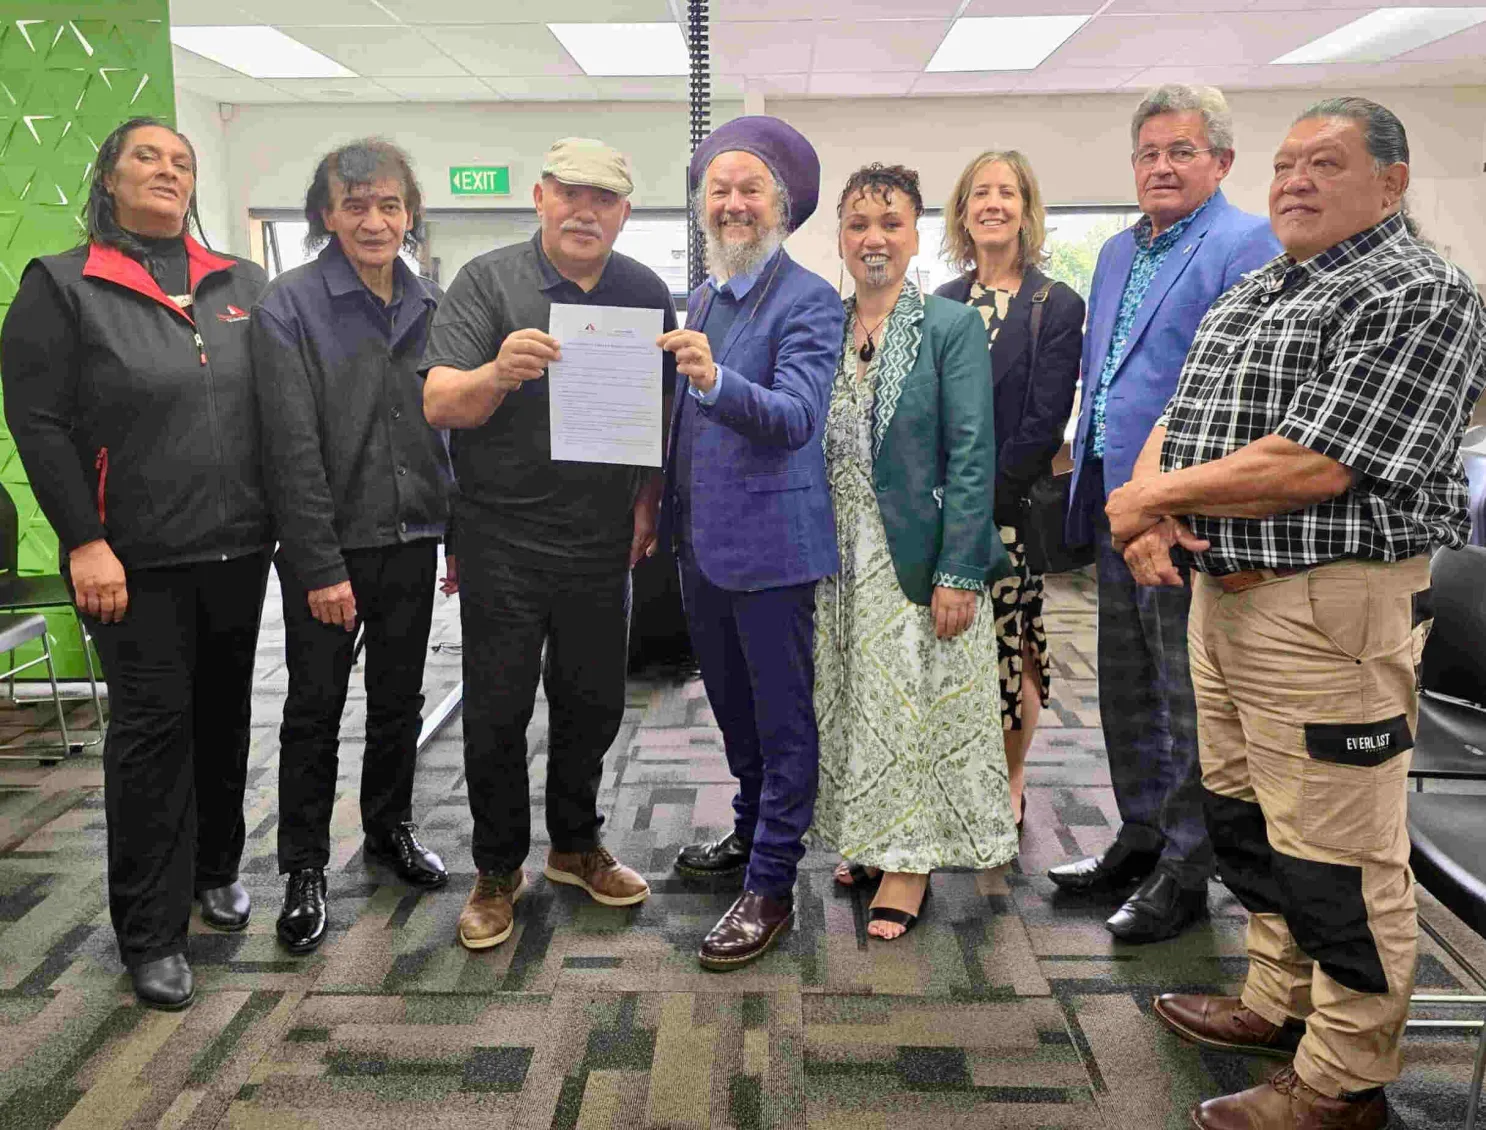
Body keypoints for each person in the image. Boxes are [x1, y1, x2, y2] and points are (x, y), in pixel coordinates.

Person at [1111, 97, 1486, 1130]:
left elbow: (1319, 460)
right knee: (1246, 819)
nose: (1294, 181)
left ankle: (1343, 1074)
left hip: (1330, 610)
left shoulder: (1418, 292)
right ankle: (1278, 1001)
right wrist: (1147, 509)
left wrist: (1154, 498)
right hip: (1226, 602)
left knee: (1336, 847)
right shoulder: (1260, 289)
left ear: (1392, 181)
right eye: (1284, 164)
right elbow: (1176, 422)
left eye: (1324, 162)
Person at [0, 117, 271, 1009]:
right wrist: (84, 539)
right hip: (131, 561)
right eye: (146, 157)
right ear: (108, 178)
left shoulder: (236, 282)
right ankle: (148, 932)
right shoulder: (62, 285)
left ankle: (217, 870)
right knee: (153, 738)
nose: (167, 169)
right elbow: (38, 425)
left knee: (225, 714)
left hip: (237, 547)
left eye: (181, 161)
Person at [421, 138, 675, 951]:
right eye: (571, 194)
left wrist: (648, 500)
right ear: (540, 198)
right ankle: (498, 869)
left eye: (604, 199)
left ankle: (574, 845)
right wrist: (496, 373)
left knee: (593, 703)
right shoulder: (487, 281)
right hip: (503, 539)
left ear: (624, 213)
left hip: (601, 541)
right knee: (497, 711)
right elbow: (439, 403)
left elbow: (658, 414)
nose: (585, 210)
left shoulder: (644, 290)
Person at [1054, 84, 1281, 943]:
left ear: (1220, 162)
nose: (1161, 166)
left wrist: (1164, 500)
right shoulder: (1116, 250)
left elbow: (1229, 392)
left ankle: (1190, 867)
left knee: (1188, 695)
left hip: (1183, 513)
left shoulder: (1245, 243)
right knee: (1127, 682)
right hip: (1115, 497)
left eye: (1181, 151)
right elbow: (1108, 373)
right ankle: (1141, 835)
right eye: (1148, 152)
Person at [252, 140, 454, 956]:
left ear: (409, 215)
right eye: (356, 205)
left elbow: (449, 431)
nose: (375, 221)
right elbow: (288, 449)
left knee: (400, 702)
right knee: (313, 712)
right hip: (329, 549)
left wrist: (455, 533)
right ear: (327, 214)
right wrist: (320, 564)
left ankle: (389, 831)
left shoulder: (430, 301)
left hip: (413, 538)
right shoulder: (288, 306)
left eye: (390, 205)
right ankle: (302, 867)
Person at [659, 116, 844, 970]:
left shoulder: (807, 299)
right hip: (702, 547)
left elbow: (797, 417)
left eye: (750, 190)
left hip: (772, 551)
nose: (733, 205)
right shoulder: (705, 294)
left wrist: (713, 378)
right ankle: (747, 832)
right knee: (733, 715)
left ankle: (771, 885)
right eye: (719, 192)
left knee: (781, 724)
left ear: (782, 204)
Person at [812, 163, 1014, 940]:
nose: (874, 240)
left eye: (891, 224)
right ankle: (866, 839)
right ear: (838, 236)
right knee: (856, 704)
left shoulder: (950, 327)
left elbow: (973, 452)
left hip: (918, 556)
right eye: (859, 225)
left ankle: (910, 862)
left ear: (916, 233)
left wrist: (961, 569)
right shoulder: (824, 324)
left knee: (912, 711)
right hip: (836, 557)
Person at [934, 150, 1085, 830]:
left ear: (1027, 209)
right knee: (950, 650)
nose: (993, 203)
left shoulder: (1053, 304)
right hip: (938, 515)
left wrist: (975, 501)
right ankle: (954, 770)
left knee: (1011, 641)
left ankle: (1012, 773)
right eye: (980, 193)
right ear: (963, 212)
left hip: (1005, 511)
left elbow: (1043, 424)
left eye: (1008, 192)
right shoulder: (941, 302)